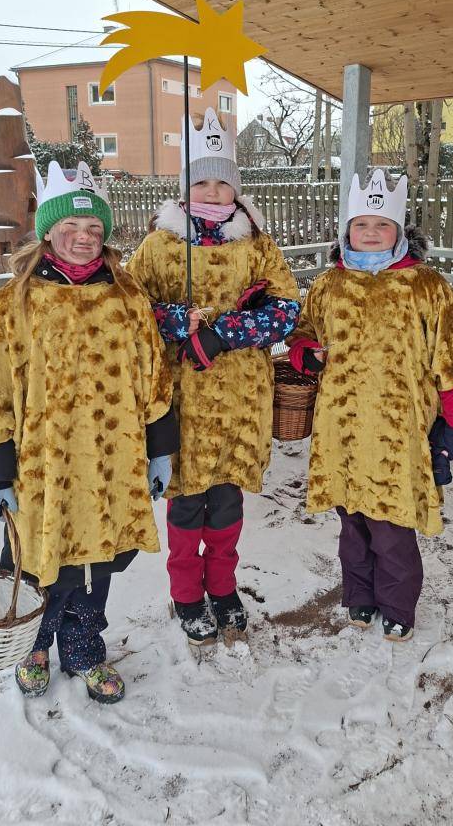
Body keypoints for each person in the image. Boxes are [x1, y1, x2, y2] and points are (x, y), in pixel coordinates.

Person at [0, 162, 177, 701]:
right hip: (41, 473)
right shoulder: (13, 307)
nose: (83, 239)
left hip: (111, 469)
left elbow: (155, 380)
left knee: (97, 569)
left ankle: (84, 651)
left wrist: (159, 450)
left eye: (94, 230)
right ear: (49, 232)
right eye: (71, 229)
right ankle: (32, 646)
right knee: (38, 567)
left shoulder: (127, 302)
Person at [126, 108, 301, 646]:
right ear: (185, 186)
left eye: (223, 181)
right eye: (201, 179)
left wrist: (228, 333)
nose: (212, 189)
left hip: (244, 396)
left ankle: (223, 588)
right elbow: (130, 311)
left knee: (227, 498)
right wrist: (178, 321)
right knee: (187, 501)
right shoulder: (160, 246)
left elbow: (288, 306)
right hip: (184, 399)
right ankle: (186, 594)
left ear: (236, 189)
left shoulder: (256, 244)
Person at [288, 169, 453, 642]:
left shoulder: (427, 286)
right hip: (340, 428)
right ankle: (359, 595)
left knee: (392, 525)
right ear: (346, 230)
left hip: (400, 432)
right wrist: (305, 354)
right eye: (361, 224)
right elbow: (303, 334)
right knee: (351, 521)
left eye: (382, 225)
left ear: (400, 231)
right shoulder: (328, 286)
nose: (370, 233)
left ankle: (397, 605)